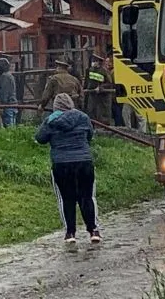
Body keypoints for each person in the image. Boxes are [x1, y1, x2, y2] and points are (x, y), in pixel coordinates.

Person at [35, 93, 101, 244]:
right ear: (71, 104)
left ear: (56, 107)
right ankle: (94, 231)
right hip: (84, 161)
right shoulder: (83, 117)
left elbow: (40, 139)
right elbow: (90, 136)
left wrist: (48, 125)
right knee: (88, 197)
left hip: (61, 164)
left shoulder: (51, 121)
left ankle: (70, 233)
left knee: (66, 199)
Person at [84, 54, 114, 125]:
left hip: (103, 96)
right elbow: (88, 82)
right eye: (93, 61)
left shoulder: (104, 71)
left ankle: (104, 128)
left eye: (95, 61)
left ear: (99, 62)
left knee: (103, 113)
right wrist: (86, 89)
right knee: (91, 111)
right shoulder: (90, 70)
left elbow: (110, 83)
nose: (94, 62)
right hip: (92, 95)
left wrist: (100, 87)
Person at [0, 57, 18, 127]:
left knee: (9, 127)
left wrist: (2, 106)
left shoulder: (5, 76)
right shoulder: (9, 75)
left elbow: (4, 92)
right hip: (12, 105)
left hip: (8, 105)